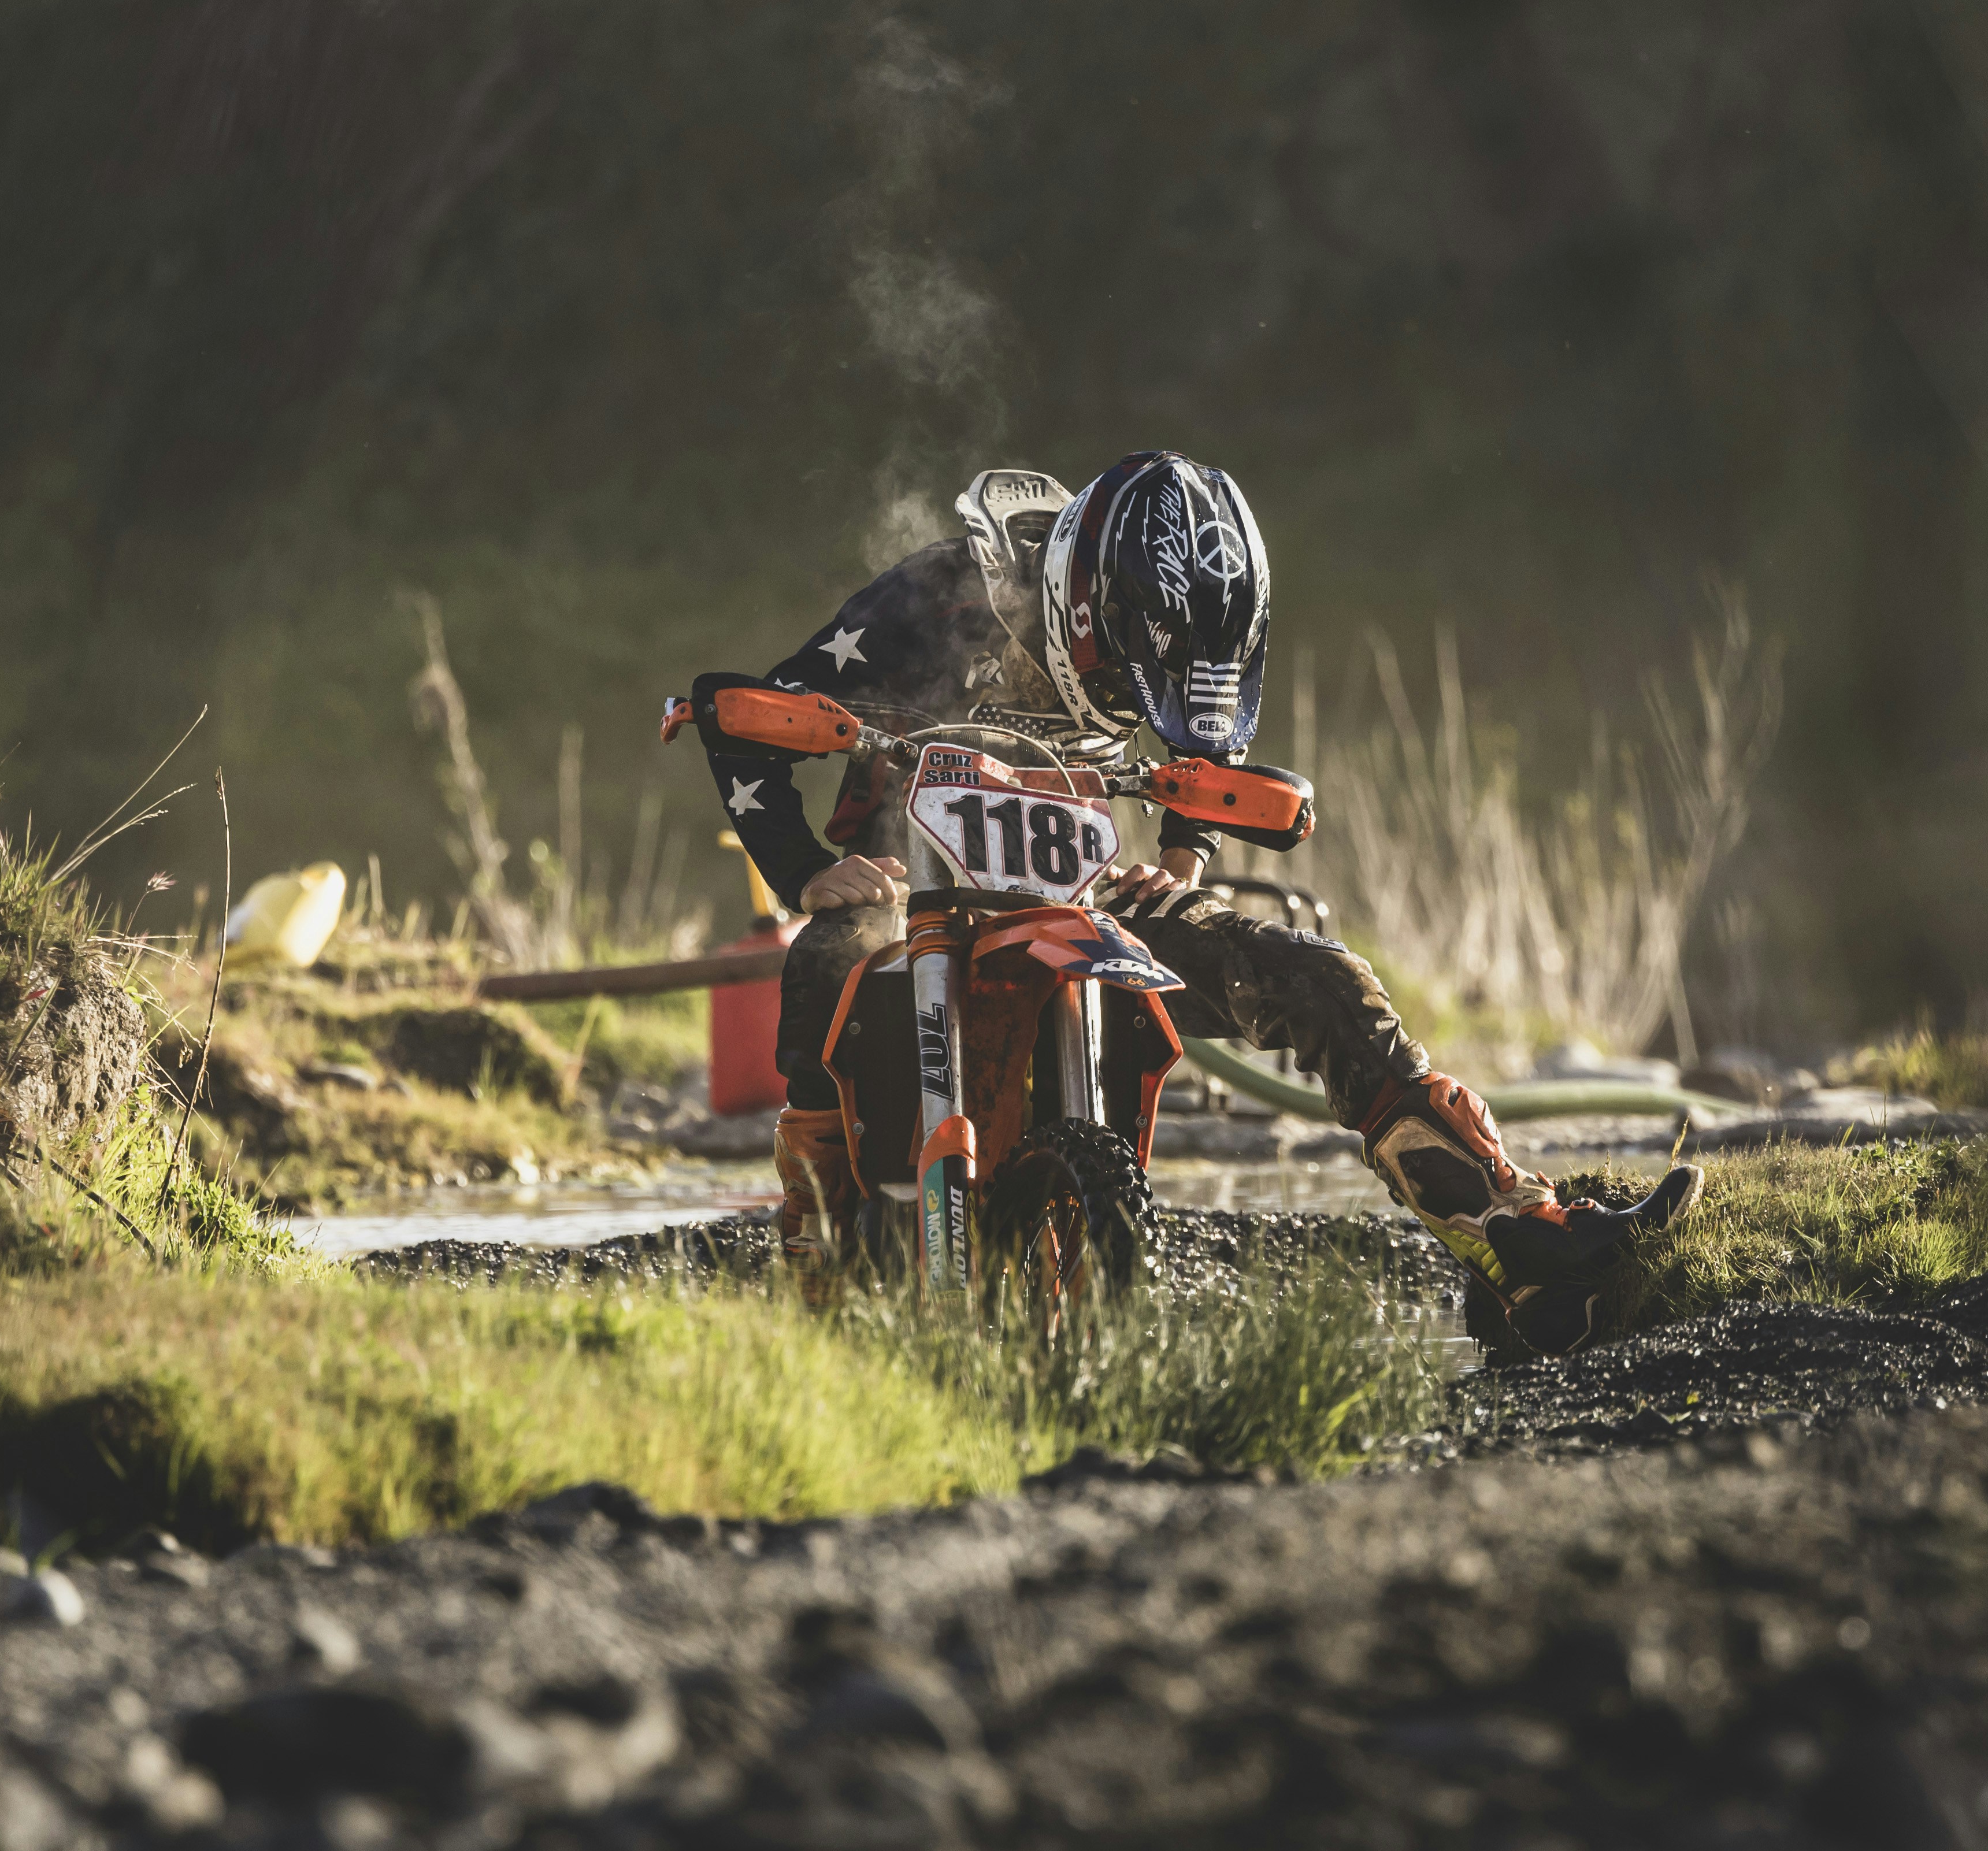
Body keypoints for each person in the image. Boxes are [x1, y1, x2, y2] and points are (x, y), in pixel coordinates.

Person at [685, 452, 1698, 1354]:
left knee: (1317, 976)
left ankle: (1518, 1242)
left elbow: (1209, 753)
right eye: (1143, 680)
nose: (1149, 700)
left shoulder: (1193, 627)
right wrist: (804, 872)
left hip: (1076, 901)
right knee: (829, 954)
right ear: (1089, 603)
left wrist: (1183, 855)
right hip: (912, 892)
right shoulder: (937, 599)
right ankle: (814, 1270)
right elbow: (744, 717)